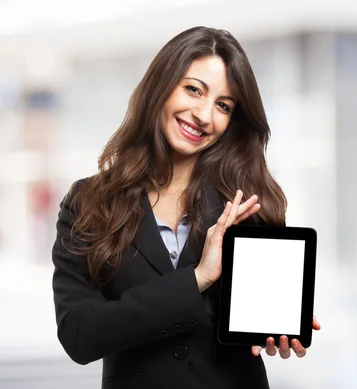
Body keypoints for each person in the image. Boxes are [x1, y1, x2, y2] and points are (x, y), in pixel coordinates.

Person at [51, 26, 321, 389]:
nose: (204, 115)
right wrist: (197, 279)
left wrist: (280, 328)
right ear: (161, 87)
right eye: (193, 89)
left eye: (223, 106)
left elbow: (261, 319)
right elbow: (80, 334)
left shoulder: (250, 204)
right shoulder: (90, 203)